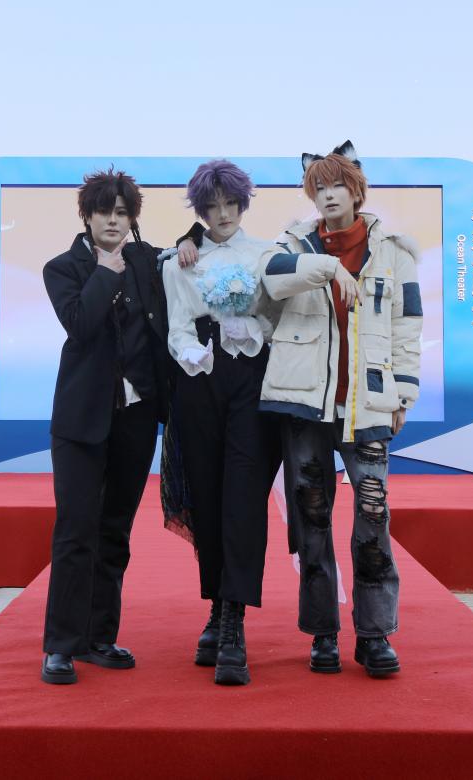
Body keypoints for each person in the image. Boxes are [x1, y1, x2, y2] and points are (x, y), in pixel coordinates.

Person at [258, 141, 422, 678]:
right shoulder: (291, 245)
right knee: (311, 517)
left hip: (368, 402)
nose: (329, 196)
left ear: (356, 191)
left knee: (373, 514)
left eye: (338, 186)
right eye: (320, 187)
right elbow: (270, 281)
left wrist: (403, 392)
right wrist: (325, 266)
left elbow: (407, 324)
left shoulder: (394, 251)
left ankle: (375, 634)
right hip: (304, 403)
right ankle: (322, 633)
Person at [40, 168, 200, 685]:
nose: (113, 220)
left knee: (115, 530)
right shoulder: (62, 268)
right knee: (75, 531)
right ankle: (61, 645)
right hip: (80, 421)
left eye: (123, 212)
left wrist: (189, 241)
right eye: (104, 211)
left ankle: (98, 637)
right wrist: (106, 272)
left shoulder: (146, 261)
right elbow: (81, 325)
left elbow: (191, 246)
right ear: (86, 216)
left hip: (136, 418)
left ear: (133, 218)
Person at [161, 159, 281, 686]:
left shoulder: (266, 255)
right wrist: (197, 353)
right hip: (199, 378)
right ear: (201, 210)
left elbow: (277, 319)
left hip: (253, 378)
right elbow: (177, 326)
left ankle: (234, 622)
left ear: (243, 204)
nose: (223, 214)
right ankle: (216, 607)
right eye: (212, 207)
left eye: (231, 204)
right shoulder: (179, 261)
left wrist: (250, 328)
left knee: (244, 496)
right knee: (207, 494)